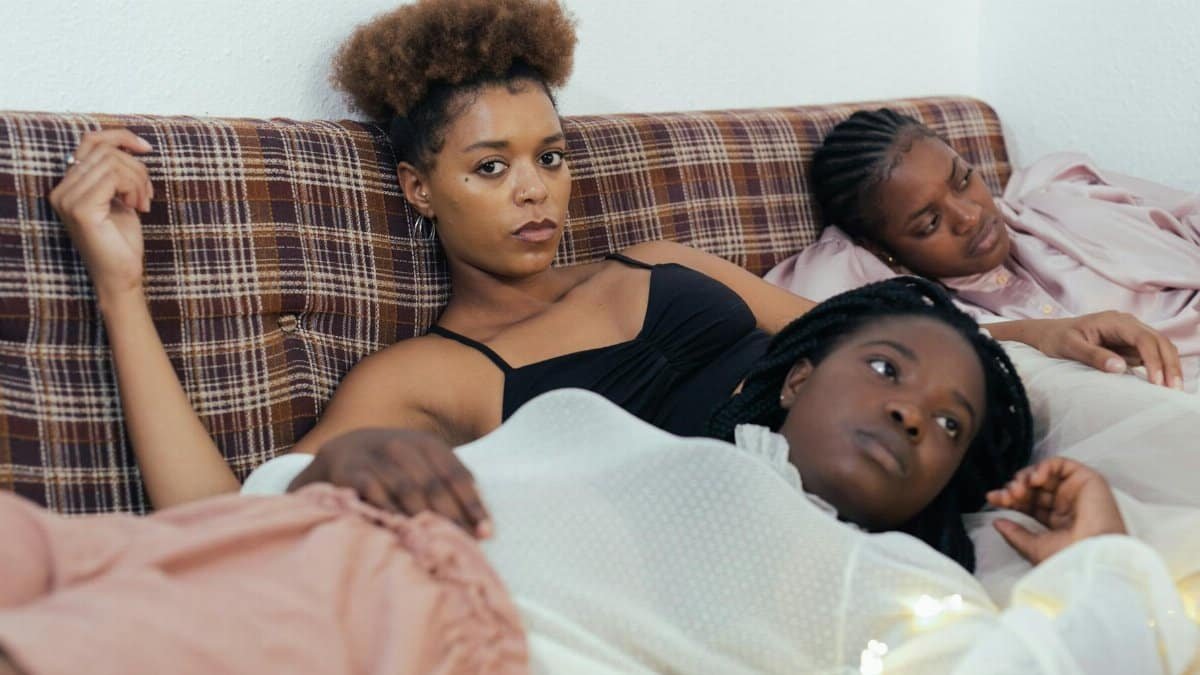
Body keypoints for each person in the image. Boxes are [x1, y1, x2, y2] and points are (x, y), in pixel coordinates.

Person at [46, 0, 1179, 515]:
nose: (535, 189)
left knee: (1147, 421)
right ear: (416, 190)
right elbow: (224, 515)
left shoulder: (658, 259)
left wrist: (1035, 336)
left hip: (916, 449)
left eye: (548, 155)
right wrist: (119, 286)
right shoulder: (424, 375)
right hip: (765, 525)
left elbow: (846, 345)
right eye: (490, 169)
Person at [3, 279, 1193, 674]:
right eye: (887, 367)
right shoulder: (612, 427)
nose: (907, 409)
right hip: (277, 540)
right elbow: (253, 496)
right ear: (791, 379)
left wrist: (1098, 558)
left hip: (411, 631)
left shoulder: (869, 578)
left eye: (945, 426)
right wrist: (338, 462)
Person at [766, 107, 1198, 390]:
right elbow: (807, 318)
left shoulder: (1066, 196)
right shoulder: (919, 313)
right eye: (930, 222)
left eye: (963, 179)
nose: (969, 215)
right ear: (884, 250)